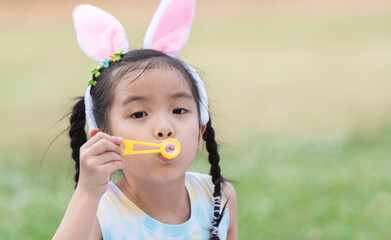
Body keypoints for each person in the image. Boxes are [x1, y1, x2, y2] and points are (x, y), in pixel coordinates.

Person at [53, 1, 237, 239]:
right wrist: (87, 193)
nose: (164, 129)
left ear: (201, 132)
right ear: (104, 140)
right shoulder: (99, 214)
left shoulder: (219, 197)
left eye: (179, 110)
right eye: (139, 114)